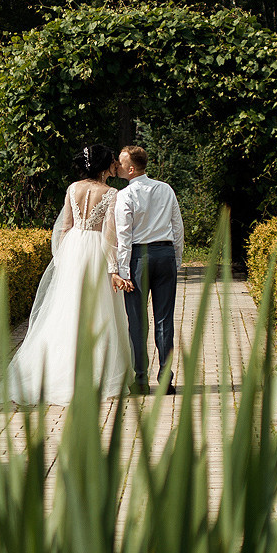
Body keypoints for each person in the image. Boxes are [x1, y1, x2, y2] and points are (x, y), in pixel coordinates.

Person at [6, 145, 132, 403]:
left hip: (73, 248)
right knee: (98, 309)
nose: (114, 166)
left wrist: (62, 260)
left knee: (68, 309)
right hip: (96, 249)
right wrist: (113, 268)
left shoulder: (72, 189)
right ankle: (96, 371)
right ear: (104, 166)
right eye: (111, 162)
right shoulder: (111, 193)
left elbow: (65, 227)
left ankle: (58, 368)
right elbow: (110, 235)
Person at [111, 143, 183, 392]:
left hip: (139, 257)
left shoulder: (125, 196)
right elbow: (177, 227)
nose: (118, 166)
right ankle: (166, 379)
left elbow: (124, 235)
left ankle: (141, 379)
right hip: (165, 254)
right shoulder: (166, 189)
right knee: (165, 319)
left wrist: (123, 271)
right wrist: (176, 260)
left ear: (131, 169)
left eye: (120, 163)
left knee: (138, 321)